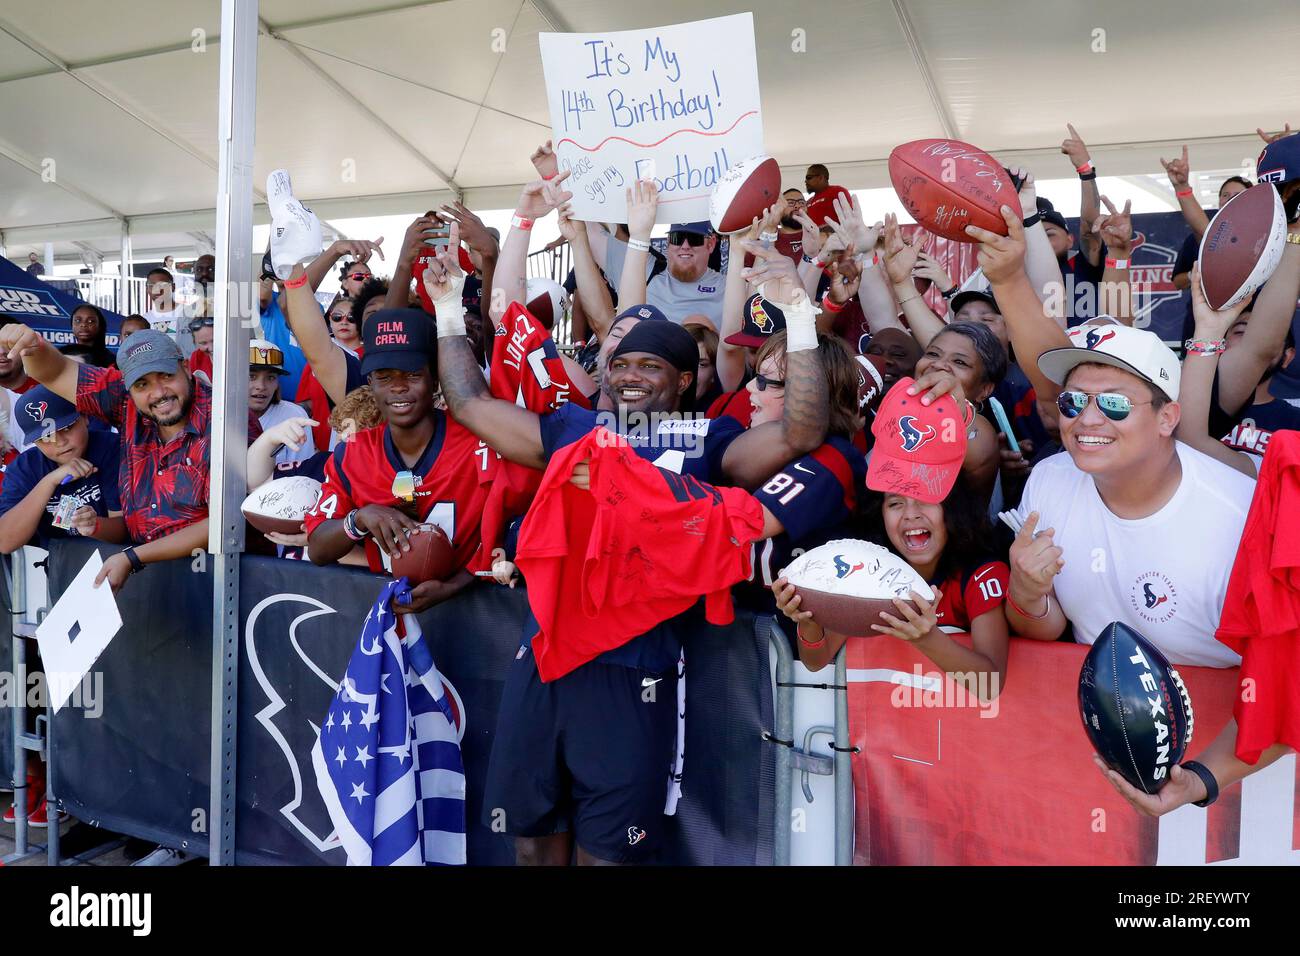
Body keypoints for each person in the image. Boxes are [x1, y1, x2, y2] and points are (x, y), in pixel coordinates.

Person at [429, 171, 830, 863]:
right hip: (544, 662)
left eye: (653, 365)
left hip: (634, 672)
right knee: (530, 849)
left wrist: (799, 319)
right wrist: (442, 308)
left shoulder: (709, 442)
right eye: (622, 363)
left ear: (685, 380)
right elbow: (467, 405)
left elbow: (800, 434)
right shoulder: (570, 428)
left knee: (608, 857)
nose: (633, 374)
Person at [1005, 323, 1255, 667]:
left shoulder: (1240, 519)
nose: (1087, 419)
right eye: (1073, 400)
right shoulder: (1048, 480)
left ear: (1166, 418)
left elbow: (1277, 673)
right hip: (1093, 703)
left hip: (1218, 706)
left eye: (1114, 403)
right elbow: (1046, 629)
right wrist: (1026, 592)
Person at [0, 324, 261, 592]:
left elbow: (228, 519)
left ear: (184, 366)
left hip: (221, 582)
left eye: (166, 375)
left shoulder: (228, 421)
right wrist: (33, 347)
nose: (158, 392)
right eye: (142, 383)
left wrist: (135, 556)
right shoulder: (124, 402)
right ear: (128, 387)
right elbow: (58, 371)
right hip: (150, 582)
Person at [300, 306, 486, 614]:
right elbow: (318, 547)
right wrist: (358, 519)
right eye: (384, 376)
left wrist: (455, 586)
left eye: (412, 374)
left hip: (479, 615)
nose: (398, 386)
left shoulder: (478, 443)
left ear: (436, 378)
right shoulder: (353, 454)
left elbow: (516, 533)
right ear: (370, 383)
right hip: (388, 623)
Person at [773, 477, 1009, 703]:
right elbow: (816, 660)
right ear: (880, 513)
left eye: (925, 499)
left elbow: (988, 686)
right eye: (895, 503)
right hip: (892, 739)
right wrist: (808, 617)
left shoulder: (980, 574)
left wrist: (926, 637)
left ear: (952, 507)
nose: (911, 514)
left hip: (965, 736)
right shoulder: (869, 571)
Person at [0, 386, 124, 551]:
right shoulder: (24, 468)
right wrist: (49, 482)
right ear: (34, 442)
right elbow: (5, 543)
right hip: (59, 565)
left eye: (67, 428)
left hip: (117, 557)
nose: (60, 442)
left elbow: (126, 530)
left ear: (85, 417)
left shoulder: (111, 448)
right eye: (46, 437)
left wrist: (95, 526)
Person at [248, 340, 316, 465]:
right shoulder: (217, 416)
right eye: (251, 376)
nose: (261, 386)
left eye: (271, 377)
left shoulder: (294, 415)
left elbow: (301, 476)